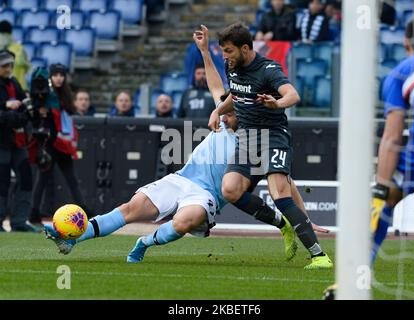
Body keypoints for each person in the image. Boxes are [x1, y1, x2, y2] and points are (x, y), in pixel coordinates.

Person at [44, 109, 328, 263]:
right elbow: (217, 81)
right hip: (180, 179)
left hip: (206, 197)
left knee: (183, 222)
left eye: (229, 111)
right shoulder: (223, 123)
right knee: (130, 208)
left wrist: (305, 219)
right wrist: (205, 51)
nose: (223, 113)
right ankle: (72, 239)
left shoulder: (257, 146)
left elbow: (287, 184)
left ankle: (143, 243)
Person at [195, 23, 333, 269]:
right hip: (247, 139)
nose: (225, 57)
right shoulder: (232, 67)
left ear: (245, 48)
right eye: (223, 52)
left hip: (273, 135)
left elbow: (293, 95)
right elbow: (234, 96)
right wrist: (217, 110)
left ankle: (319, 256)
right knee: (230, 190)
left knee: (279, 192)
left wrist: (277, 104)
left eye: (228, 51)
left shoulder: (268, 69)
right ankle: (284, 224)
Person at [371, 13, 414, 264]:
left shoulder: (403, 70)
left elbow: (392, 136)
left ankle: (355, 276)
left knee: (384, 202)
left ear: (407, 42)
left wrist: (381, 188)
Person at [31, 63, 88, 224]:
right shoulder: (44, 93)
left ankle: (84, 210)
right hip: (49, 142)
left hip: (63, 143)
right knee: (41, 180)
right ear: (50, 76)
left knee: (72, 179)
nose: (59, 78)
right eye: (55, 75)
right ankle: (34, 213)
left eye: (61, 75)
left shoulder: (66, 94)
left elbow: (69, 115)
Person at [0, 50, 35, 232]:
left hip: (17, 143)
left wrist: (14, 113)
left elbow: (26, 110)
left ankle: (19, 221)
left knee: (26, 178)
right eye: (4, 65)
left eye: (10, 65)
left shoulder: (14, 83)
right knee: (2, 182)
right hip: (2, 143)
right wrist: (11, 111)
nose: (8, 68)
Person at [0, 20, 30, 91]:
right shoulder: (20, 48)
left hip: (16, 88)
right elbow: (27, 68)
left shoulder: (19, 48)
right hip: (19, 87)